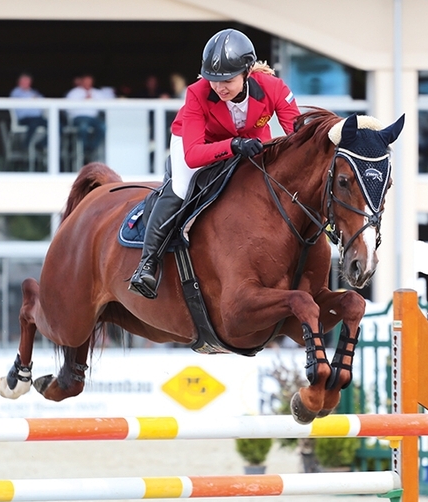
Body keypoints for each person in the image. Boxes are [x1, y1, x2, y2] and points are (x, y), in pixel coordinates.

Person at [129, 28, 301, 299]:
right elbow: (194, 154)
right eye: (213, 79)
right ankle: (147, 264)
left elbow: (298, 136)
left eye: (227, 80)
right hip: (196, 141)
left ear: (246, 73)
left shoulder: (274, 88)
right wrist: (233, 146)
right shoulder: (197, 93)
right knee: (181, 190)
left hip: (249, 141)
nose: (219, 87)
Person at [65, 73, 106, 155]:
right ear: (82, 81)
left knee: (103, 127)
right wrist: (82, 100)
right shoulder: (74, 93)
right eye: (86, 81)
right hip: (79, 118)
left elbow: (105, 106)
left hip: (93, 118)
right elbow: (68, 108)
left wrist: (93, 100)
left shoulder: (97, 93)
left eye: (89, 81)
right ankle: (85, 148)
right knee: (84, 126)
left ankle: (92, 148)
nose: (88, 83)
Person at [9, 72, 47, 151]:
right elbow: (27, 100)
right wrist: (33, 98)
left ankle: (42, 144)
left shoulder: (34, 92)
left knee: (56, 125)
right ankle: (25, 145)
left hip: (38, 118)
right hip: (25, 118)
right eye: (24, 81)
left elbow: (43, 101)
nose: (26, 83)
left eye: (27, 81)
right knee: (34, 123)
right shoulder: (16, 92)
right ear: (19, 82)